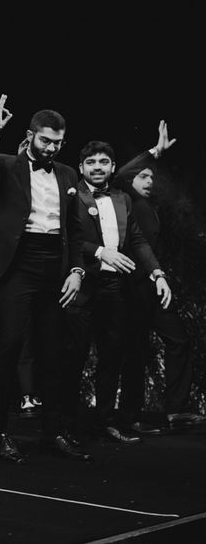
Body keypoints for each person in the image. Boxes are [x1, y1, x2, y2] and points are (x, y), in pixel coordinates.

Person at [0, 95, 87, 463]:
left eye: (57, 142)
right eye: (44, 140)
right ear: (30, 136)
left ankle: (51, 434)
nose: (51, 148)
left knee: (54, 353)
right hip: (16, 266)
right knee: (9, 348)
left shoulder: (68, 174)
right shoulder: (7, 165)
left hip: (55, 264)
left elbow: (75, 229)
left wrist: (77, 270)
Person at [61, 140, 171, 444]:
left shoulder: (123, 198)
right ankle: (65, 425)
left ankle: (105, 421)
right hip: (81, 285)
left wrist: (157, 272)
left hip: (113, 287)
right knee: (75, 355)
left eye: (104, 162)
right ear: (81, 167)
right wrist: (99, 252)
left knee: (111, 356)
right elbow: (64, 237)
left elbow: (137, 240)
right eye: (91, 162)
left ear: (112, 167)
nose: (98, 167)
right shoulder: (72, 196)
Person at [114, 122, 202, 430]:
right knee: (135, 351)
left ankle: (176, 409)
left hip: (153, 288)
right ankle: (129, 417)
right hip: (132, 289)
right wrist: (155, 152)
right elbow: (123, 173)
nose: (149, 180)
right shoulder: (125, 199)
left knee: (179, 339)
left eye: (152, 176)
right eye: (143, 176)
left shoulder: (150, 208)